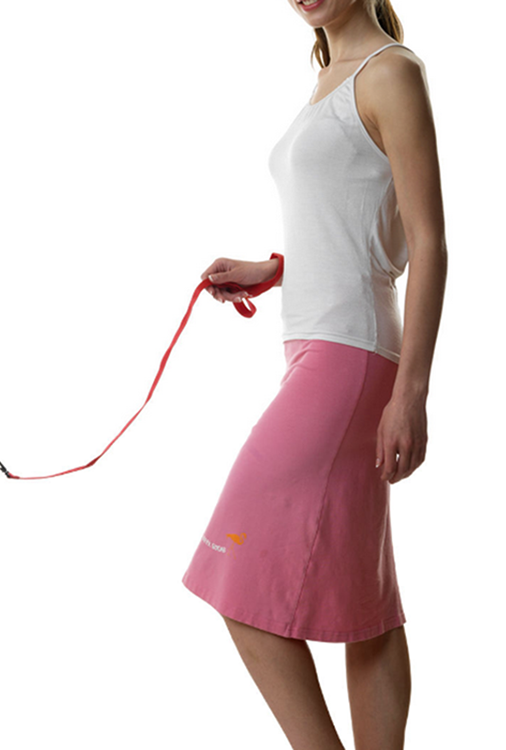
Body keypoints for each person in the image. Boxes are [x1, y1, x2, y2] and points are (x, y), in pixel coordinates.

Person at [182, 1, 446, 749]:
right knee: (366, 602)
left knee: (232, 569)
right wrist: (273, 270)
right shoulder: (329, 76)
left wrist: (412, 393)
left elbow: (428, 241)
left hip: (349, 357)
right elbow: (353, 224)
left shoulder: (390, 72)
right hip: (320, 348)